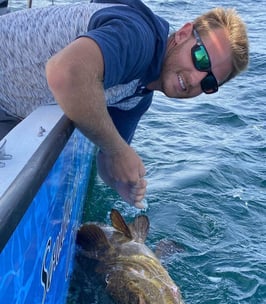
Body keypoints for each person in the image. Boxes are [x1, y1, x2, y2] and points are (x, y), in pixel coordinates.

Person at [0, 0, 249, 208]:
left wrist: (121, 181)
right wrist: (120, 151)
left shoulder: (139, 96)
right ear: (183, 33)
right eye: (201, 58)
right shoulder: (138, 37)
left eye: (209, 82)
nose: (196, 78)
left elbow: (108, 160)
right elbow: (66, 74)